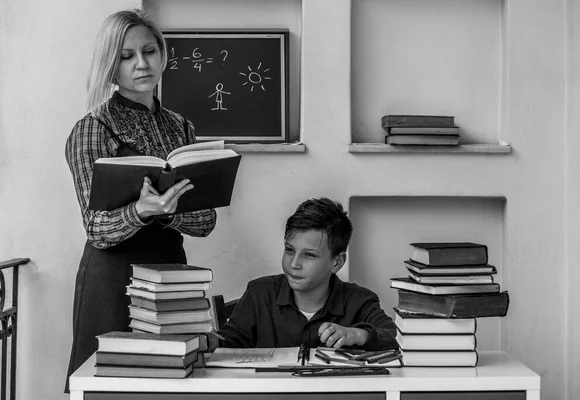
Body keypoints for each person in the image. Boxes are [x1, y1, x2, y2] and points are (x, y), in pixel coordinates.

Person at [64, 9, 217, 391]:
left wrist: (167, 213)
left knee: (171, 384)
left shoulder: (181, 127)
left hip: (170, 272)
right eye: (126, 56)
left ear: (163, 55)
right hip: (112, 275)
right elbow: (96, 228)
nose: (141, 64)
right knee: (109, 387)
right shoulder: (91, 128)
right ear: (110, 65)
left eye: (149, 51)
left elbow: (206, 220)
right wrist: (140, 210)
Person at [217, 198, 398, 350]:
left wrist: (358, 334)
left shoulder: (360, 301)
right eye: (289, 250)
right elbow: (225, 344)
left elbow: (395, 338)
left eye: (309, 255)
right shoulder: (259, 294)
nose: (294, 264)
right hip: (272, 393)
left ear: (337, 262)